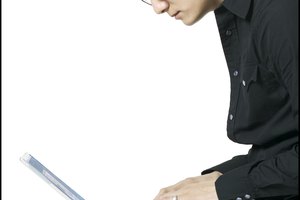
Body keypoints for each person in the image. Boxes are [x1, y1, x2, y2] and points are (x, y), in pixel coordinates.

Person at [141, 0, 299, 199]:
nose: (158, 7)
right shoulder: (238, 14)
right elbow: (286, 138)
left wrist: (225, 188)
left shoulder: (281, 13)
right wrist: (221, 179)